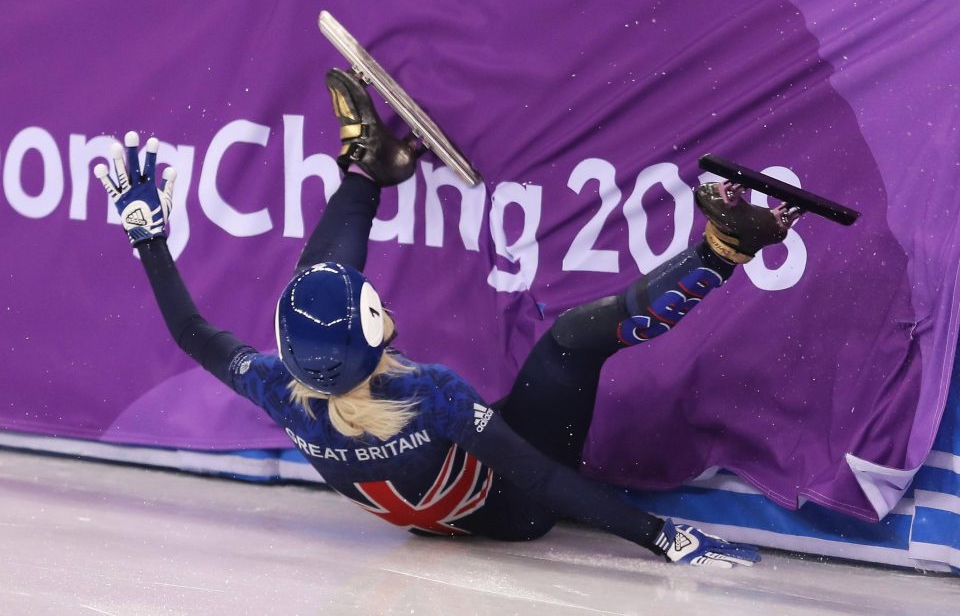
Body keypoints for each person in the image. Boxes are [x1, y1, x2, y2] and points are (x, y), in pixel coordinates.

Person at [99, 68, 800, 568]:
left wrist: (144, 234)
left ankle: (369, 168)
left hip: (446, 500)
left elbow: (191, 333)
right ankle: (722, 251)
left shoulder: (283, 388)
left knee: (315, 289)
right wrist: (663, 538)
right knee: (566, 344)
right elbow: (546, 481)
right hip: (519, 507)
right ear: (380, 326)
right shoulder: (427, 394)